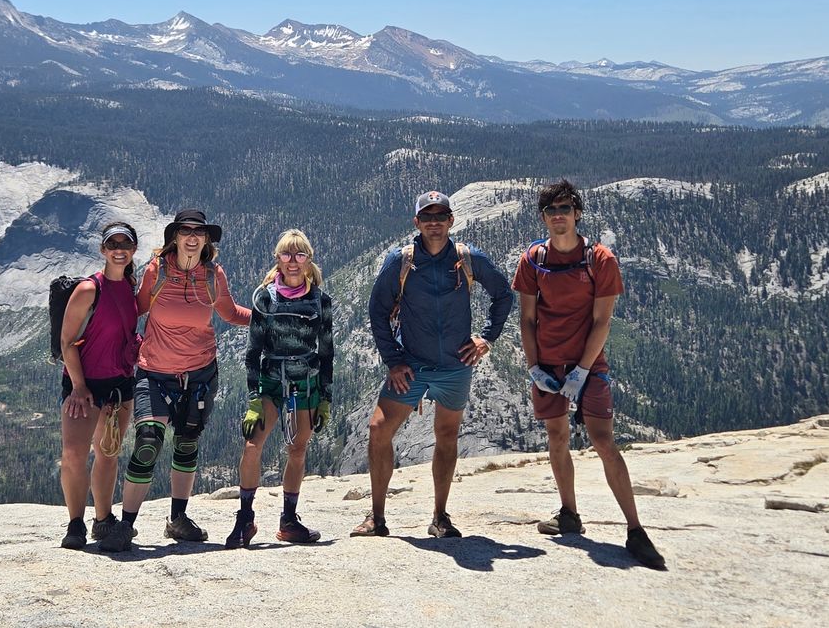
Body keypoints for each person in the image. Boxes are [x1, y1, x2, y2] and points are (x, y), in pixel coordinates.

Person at [513, 180, 666, 570]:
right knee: (557, 436)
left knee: (603, 442)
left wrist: (582, 370)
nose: (558, 216)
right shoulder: (532, 260)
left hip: (589, 365)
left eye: (564, 208)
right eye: (551, 210)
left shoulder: (600, 259)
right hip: (547, 363)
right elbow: (527, 319)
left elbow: (602, 321)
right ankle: (569, 513)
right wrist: (534, 367)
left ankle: (635, 529)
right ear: (543, 217)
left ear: (577, 213)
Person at [352, 190, 514, 539]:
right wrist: (393, 361)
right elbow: (377, 312)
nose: (435, 223)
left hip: (456, 366)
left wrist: (487, 337)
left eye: (441, 216)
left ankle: (440, 516)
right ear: (417, 223)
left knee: (446, 436)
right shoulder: (402, 261)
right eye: (428, 217)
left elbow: (503, 294)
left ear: (451, 221)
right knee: (379, 430)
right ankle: (376, 518)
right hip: (412, 364)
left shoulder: (469, 258)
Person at [100, 208, 253, 552]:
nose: (192, 236)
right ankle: (126, 525)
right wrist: (92, 325)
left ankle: (178, 520)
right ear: (175, 237)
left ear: (207, 239)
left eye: (199, 231)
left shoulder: (214, 275)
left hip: (199, 373)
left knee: (186, 443)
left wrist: (268, 316)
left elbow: (229, 313)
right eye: (185, 231)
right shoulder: (158, 271)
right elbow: (133, 308)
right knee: (148, 441)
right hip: (154, 372)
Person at [227, 229, 335, 548]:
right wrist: (252, 401)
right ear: (278, 259)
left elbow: (327, 351)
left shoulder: (320, 300)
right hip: (272, 380)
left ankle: (288, 520)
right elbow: (252, 351)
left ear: (308, 260)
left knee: (298, 449)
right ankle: (245, 518)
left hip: (305, 381)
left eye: (299, 255)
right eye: (286, 255)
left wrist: (325, 398)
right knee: (252, 446)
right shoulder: (265, 298)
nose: (292, 261)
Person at [56, 221, 143, 549]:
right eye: (113, 244)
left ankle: (103, 520)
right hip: (86, 385)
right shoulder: (89, 290)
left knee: (108, 454)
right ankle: (75, 523)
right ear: (103, 250)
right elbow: (66, 342)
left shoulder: (129, 287)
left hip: (120, 385)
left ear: (133, 250)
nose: (119, 249)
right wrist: (79, 387)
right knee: (75, 453)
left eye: (125, 244)